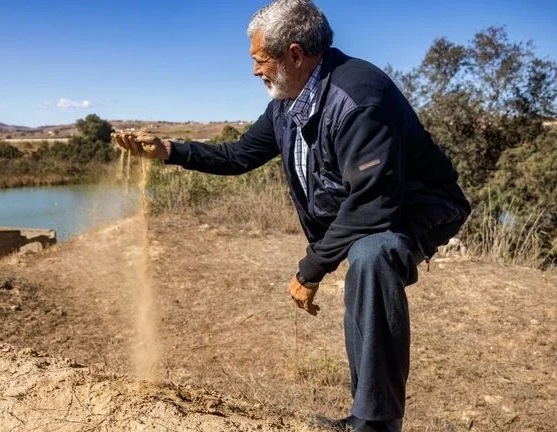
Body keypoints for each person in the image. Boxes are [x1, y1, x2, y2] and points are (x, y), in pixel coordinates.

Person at [112, 0, 470, 430]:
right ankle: (365, 414)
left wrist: (310, 270)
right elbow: (239, 154)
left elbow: (373, 205)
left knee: (373, 256)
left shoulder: (359, 100)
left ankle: (375, 423)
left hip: (420, 203)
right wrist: (169, 150)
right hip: (368, 205)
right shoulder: (287, 99)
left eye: (260, 59)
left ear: (295, 55)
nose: (254, 71)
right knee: (364, 261)